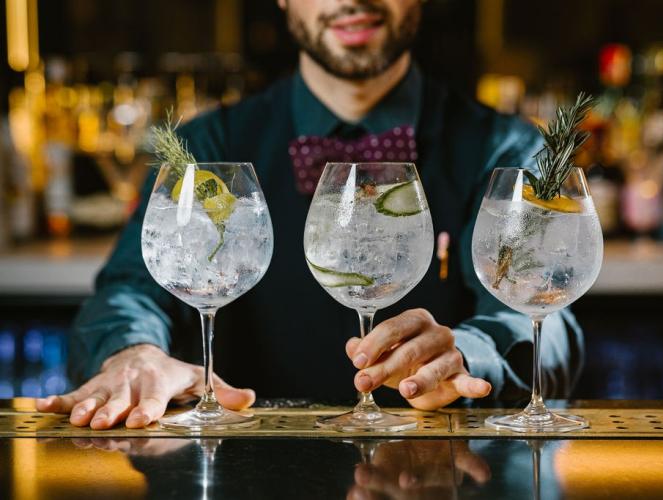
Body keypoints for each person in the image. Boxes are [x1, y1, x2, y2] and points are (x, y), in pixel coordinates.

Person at [37, 0, 583, 429]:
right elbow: (128, 290)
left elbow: (548, 318)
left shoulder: (503, 150)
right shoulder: (208, 144)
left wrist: (469, 357)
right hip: (243, 476)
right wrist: (134, 353)